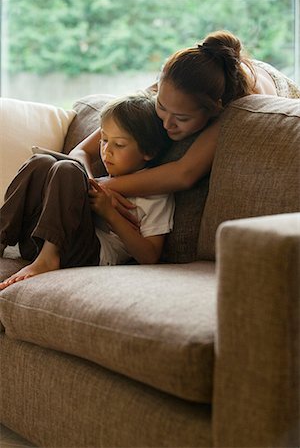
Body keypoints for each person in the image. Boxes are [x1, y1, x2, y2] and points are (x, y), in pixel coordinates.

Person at [69, 30, 300, 200]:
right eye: (161, 107)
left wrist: (104, 186)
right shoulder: (175, 80)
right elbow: (80, 151)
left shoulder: (237, 105)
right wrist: (84, 179)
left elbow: (184, 174)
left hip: (272, 86)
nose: (167, 123)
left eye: (182, 118)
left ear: (214, 109)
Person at [0, 92, 175, 289]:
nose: (106, 151)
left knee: (68, 169)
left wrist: (109, 213)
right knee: (41, 162)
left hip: (89, 254)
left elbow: (150, 257)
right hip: (36, 241)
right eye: (104, 140)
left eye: (119, 144)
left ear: (148, 151)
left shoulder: (156, 194)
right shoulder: (104, 181)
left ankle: (49, 258)